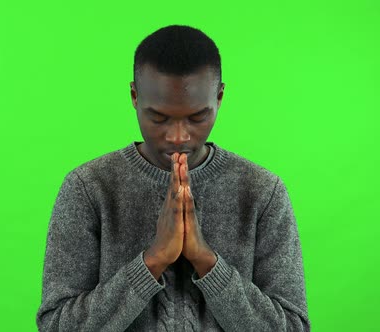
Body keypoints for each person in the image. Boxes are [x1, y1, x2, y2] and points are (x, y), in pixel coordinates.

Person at [36, 25, 310, 331]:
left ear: (219, 98)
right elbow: (56, 325)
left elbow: (293, 327)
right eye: (159, 117)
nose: (178, 136)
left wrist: (205, 259)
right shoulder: (89, 188)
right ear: (134, 96)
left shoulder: (262, 192)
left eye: (197, 117)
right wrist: (153, 261)